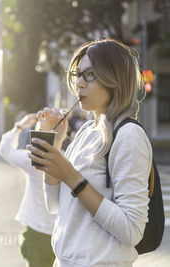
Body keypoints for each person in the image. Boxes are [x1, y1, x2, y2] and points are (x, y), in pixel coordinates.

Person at [26, 38, 152, 267]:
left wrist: (71, 176)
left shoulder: (128, 135)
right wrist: (54, 146)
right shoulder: (86, 131)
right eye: (78, 74)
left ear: (115, 79)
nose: (79, 84)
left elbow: (132, 231)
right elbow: (54, 206)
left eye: (90, 74)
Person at [0, 113, 56, 267]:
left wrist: (20, 126)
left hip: (37, 229)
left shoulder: (33, 160)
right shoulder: (70, 158)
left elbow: (4, 149)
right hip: (63, 233)